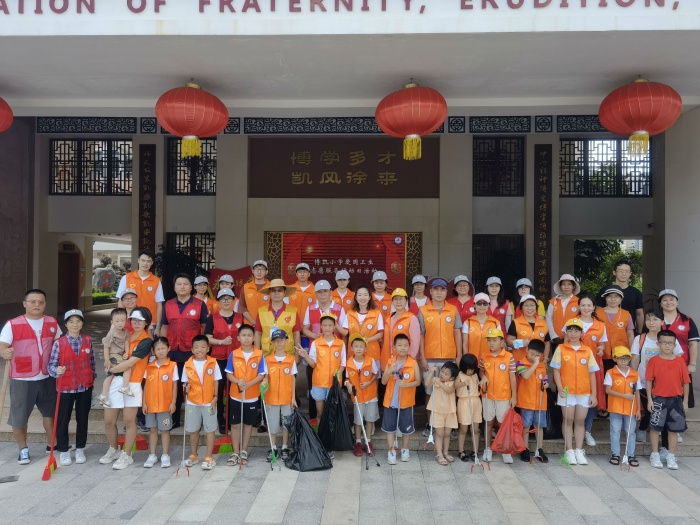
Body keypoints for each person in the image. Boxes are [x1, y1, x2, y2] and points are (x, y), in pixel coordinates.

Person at [0, 289, 61, 465]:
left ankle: (52, 444)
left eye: (40, 302)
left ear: (45, 304)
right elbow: (2, 345)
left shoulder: (52, 322)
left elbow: (59, 344)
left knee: (50, 413)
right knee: (20, 416)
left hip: (47, 376)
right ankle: (23, 449)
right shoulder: (13, 324)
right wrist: (4, 352)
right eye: (33, 301)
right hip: (22, 378)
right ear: (25, 304)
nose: (37, 305)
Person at [101, 307, 154, 470]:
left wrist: (111, 369)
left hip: (132, 383)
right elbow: (109, 347)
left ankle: (127, 454)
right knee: (109, 421)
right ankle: (113, 449)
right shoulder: (124, 334)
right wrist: (108, 362)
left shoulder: (147, 341)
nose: (136, 323)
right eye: (134, 320)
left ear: (146, 323)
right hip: (114, 382)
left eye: (140, 320)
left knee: (130, 421)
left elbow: (131, 363)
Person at [48, 309, 95, 466]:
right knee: (63, 419)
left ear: (82, 323)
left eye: (78, 321)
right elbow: (51, 365)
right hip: (66, 387)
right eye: (71, 321)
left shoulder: (88, 340)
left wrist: (92, 379)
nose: (75, 324)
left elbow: (92, 362)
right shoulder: (59, 343)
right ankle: (64, 450)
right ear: (66, 324)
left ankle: (80, 448)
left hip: (84, 387)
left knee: (83, 418)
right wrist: (57, 371)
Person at [631, 309, 683, 449]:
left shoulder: (669, 337)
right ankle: (643, 428)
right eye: (648, 319)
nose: (651, 322)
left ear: (662, 321)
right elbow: (635, 359)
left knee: (663, 414)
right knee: (650, 411)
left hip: (665, 384)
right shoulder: (640, 339)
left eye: (655, 319)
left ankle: (665, 447)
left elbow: (678, 359)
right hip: (644, 382)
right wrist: (633, 378)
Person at [160, 273, 208, 428]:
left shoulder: (199, 304)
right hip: (173, 351)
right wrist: (162, 348)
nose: (182, 287)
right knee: (173, 386)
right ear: (174, 287)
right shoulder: (168, 304)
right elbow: (164, 327)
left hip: (192, 352)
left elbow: (204, 327)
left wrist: (201, 349)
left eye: (185, 284)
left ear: (191, 287)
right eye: (179, 284)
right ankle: (174, 420)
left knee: (193, 385)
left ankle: (195, 420)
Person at [550, 318, 599, 466]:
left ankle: (579, 450)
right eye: (570, 330)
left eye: (576, 331)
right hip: (566, 392)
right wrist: (559, 387)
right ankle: (569, 450)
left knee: (580, 420)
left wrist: (594, 394)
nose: (573, 333)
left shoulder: (587, 350)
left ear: (581, 333)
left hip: (584, 392)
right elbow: (556, 371)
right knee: (568, 419)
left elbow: (592, 374)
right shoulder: (561, 349)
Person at [418, 278, 462, 437]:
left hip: (449, 358)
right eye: (435, 289)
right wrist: (422, 357)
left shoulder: (453, 310)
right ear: (430, 292)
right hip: (430, 358)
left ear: (446, 292)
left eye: (442, 289)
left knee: (450, 392)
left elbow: (457, 333)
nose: (438, 292)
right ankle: (430, 424)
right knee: (430, 392)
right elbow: (420, 335)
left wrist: (459, 355)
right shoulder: (423, 310)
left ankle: (451, 425)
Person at [646, 329, 690, 470]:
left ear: (674, 345)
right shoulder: (654, 361)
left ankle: (671, 455)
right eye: (664, 342)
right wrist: (649, 399)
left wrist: (685, 401)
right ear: (658, 344)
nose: (667, 345)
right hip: (658, 399)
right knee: (655, 427)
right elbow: (649, 380)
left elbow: (686, 382)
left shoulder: (680, 361)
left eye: (670, 343)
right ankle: (655, 454)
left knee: (674, 429)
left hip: (676, 400)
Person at [225, 324, 267, 466]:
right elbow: (229, 373)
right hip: (235, 395)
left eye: (249, 335)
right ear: (238, 338)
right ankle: (235, 452)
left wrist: (248, 385)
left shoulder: (259, 354)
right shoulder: (234, 354)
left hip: (252, 395)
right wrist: (238, 382)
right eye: (244, 335)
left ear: (254, 337)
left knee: (248, 424)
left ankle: (244, 450)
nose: (247, 338)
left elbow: (261, 374)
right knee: (235, 424)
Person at [205, 288, 243, 434]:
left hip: (236, 359)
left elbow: (245, 336)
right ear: (218, 301)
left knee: (235, 388)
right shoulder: (212, 318)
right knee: (219, 390)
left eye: (229, 298)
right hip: (219, 359)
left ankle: (233, 418)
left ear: (233, 300)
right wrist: (221, 342)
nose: (226, 301)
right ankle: (221, 420)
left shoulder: (240, 317)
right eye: (223, 298)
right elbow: (208, 338)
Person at [297, 313, 346, 423]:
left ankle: (331, 433)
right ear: (321, 326)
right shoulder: (316, 343)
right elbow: (313, 364)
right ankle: (321, 433)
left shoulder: (340, 344)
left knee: (332, 413)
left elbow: (343, 363)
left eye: (330, 325)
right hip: (318, 382)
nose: (327, 328)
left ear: (334, 326)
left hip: (334, 384)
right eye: (325, 325)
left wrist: (338, 374)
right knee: (320, 412)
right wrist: (306, 356)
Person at [181, 335, 220, 470]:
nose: (200, 350)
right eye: (196, 347)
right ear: (192, 349)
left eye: (203, 347)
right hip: (192, 401)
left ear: (208, 348)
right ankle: (193, 454)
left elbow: (216, 381)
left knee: (210, 429)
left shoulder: (213, 363)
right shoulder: (187, 364)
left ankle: (209, 457)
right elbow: (185, 383)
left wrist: (215, 397)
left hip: (209, 402)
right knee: (193, 429)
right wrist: (185, 389)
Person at [381, 333, 421, 465]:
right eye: (399, 345)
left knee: (406, 428)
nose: (403, 348)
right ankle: (391, 450)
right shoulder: (390, 362)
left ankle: (405, 449)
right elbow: (383, 382)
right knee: (390, 427)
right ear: (394, 347)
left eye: (405, 345)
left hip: (406, 402)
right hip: (391, 401)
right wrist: (389, 371)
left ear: (409, 347)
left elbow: (418, 381)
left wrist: (407, 385)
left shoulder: (413, 363)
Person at [479, 328, 517, 464]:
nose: (491, 343)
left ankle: (505, 450)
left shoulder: (509, 357)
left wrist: (514, 396)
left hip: (504, 395)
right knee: (488, 422)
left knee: (503, 424)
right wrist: (483, 377)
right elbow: (481, 371)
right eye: (489, 340)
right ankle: (488, 448)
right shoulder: (484, 356)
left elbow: (512, 378)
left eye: (494, 340)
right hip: (487, 395)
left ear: (502, 342)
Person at [659, 289, 698, 415]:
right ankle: (661, 420)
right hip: (660, 364)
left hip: (682, 365)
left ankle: (678, 422)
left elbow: (693, 344)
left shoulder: (687, 320)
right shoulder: (655, 319)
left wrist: (692, 363)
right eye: (665, 300)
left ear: (677, 302)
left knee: (680, 394)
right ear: (660, 303)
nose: (668, 302)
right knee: (661, 392)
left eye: (672, 299)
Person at [576, 293, 608, 442]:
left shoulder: (601, 325)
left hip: (594, 365)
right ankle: (575, 429)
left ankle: (587, 430)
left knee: (592, 396)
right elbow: (565, 345)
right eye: (583, 305)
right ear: (579, 307)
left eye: (589, 305)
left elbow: (602, 344)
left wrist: (601, 349)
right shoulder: (572, 322)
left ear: (594, 307)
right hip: (574, 365)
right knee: (576, 395)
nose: (586, 308)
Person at [142, 337, 178, 468]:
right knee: (152, 429)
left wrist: (173, 403)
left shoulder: (172, 366)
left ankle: (165, 455)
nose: (161, 351)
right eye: (158, 349)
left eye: (163, 348)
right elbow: (146, 386)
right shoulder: (149, 367)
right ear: (153, 351)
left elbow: (174, 386)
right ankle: (152, 455)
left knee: (165, 430)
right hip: (151, 405)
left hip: (165, 405)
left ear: (168, 349)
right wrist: (144, 403)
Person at [261, 329, 297, 461]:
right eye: (276, 341)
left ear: (286, 341)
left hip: (286, 398)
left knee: (286, 424)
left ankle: (285, 447)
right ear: (272, 343)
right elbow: (266, 376)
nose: (279, 343)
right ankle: (273, 447)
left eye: (282, 340)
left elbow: (293, 379)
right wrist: (264, 382)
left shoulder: (291, 359)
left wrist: (293, 398)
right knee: (273, 424)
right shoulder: (268, 359)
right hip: (271, 398)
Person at [605, 346, 641, 467]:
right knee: (615, 431)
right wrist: (624, 396)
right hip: (615, 407)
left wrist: (638, 409)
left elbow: (637, 392)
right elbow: (608, 390)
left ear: (630, 359)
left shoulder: (635, 374)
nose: (623, 361)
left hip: (631, 408)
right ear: (615, 359)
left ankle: (631, 455)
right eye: (620, 358)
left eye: (626, 358)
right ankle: (615, 454)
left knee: (631, 432)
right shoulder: (610, 373)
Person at [344, 334, 379, 457]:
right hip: (357, 396)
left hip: (371, 395)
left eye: (361, 346)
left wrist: (369, 382)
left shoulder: (370, 360)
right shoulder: (349, 362)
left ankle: (368, 442)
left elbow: (376, 374)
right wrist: (348, 385)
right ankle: (358, 442)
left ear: (365, 348)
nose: (358, 349)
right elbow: (347, 379)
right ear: (352, 348)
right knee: (358, 421)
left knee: (369, 419)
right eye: (356, 346)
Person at [116, 248, 164, 336]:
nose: (145, 264)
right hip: (131, 321)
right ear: (138, 260)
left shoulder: (156, 281)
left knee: (148, 344)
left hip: (150, 322)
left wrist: (158, 327)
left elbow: (159, 305)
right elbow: (120, 301)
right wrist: (121, 321)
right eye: (143, 260)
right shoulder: (126, 278)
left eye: (148, 261)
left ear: (152, 263)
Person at [515, 339, 548, 462]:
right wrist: (535, 364)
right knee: (526, 426)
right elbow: (525, 376)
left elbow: (545, 379)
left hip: (540, 401)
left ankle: (540, 449)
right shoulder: (520, 363)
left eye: (537, 355)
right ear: (527, 350)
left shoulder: (542, 366)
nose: (534, 357)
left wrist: (546, 384)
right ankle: (525, 448)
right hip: (526, 401)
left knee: (539, 425)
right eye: (532, 354)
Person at [255, 278, 301, 356]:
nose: (276, 293)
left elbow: (296, 334)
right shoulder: (261, 311)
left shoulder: (293, 311)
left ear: (284, 292)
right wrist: (256, 354)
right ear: (269, 293)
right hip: (266, 354)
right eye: (273, 291)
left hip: (288, 354)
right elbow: (258, 333)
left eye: (280, 290)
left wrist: (297, 355)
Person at [596, 259, 644, 334]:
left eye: (627, 271)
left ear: (630, 273)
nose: (624, 274)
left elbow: (639, 314)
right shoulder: (605, 291)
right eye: (620, 271)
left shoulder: (636, 292)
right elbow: (598, 312)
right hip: (607, 332)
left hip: (629, 332)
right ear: (614, 272)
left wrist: (639, 333)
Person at [425, 362, 459, 465]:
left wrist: (440, 383)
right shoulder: (436, 379)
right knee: (440, 433)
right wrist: (431, 373)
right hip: (437, 411)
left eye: (446, 373)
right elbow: (427, 384)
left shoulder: (452, 383)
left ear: (451, 377)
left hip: (450, 412)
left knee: (447, 433)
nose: (442, 374)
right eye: (442, 371)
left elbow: (449, 391)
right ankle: (439, 454)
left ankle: (446, 452)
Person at [596, 285, 634, 372]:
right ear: (605, 298)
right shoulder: (598, 314)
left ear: (621, 299)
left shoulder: (626, 314)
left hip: (622, 352)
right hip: (603, 351)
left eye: (616, 296)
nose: (613, 299)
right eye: (610, 296)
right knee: (604, 375)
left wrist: (632, 351)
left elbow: (630, 334)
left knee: (620, 375)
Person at [98, 307, 131, 407]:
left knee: (110, 375)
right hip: (113, 355)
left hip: (120, 355)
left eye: (122, 321)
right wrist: (107, 360)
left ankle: (103, 396)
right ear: (112, 322)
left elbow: (126, 343)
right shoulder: (112, 332)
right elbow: (106, 346)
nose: (120, 323)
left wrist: (127, 352)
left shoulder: (125, 331)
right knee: (127, 367)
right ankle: (125, 387)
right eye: (117, 321)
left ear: (126, 321)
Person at [382, 288, 420, 371]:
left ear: (406, 301)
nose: (398, 302)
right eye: (396, 299)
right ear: (392, 302)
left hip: (405, 360)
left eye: (401, 299)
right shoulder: (389, 318)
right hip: (390, 360)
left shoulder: (411, 318)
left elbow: (415, 342)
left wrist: (410, 358)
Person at [507, 294, 549, 364]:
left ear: (536, 307)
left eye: (532, 305)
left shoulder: (543, 323)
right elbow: (508, 342)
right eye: (526, 305)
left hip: (538, 363)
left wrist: (545, 359)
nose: (529, 308)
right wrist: (521, 343)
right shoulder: (515, 322)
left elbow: (547, 343)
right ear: (521, 308)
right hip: (520, 364)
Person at [455, 353, 482, 461]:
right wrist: (463, 384)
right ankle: (461, 451)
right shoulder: (460, 374)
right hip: (464, 402)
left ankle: (475, 451)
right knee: (463, 429)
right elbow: (455, 385)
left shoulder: (475, 375)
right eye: (468, 369)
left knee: (475, 429)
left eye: (472, 369)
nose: (471, 371)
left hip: (476, 402)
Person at [462, 292, 501, 363]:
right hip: (472, 361)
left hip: (490, 361)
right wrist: (466, 360)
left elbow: (498, 344)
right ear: (474, 305)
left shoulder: (495, 323)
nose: (482, 306)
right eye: (479, 303)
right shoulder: (468, 322)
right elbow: (465, 344)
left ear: (489, 305)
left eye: (485, 303)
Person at [546, 274, 580, 350]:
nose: (566, 287)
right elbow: (548, 318)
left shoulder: (578, 301)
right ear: (560, 286)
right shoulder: (554, 301)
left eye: (569, 284)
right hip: (556, 339)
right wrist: (553, 336)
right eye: (564, 284)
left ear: (573, 286)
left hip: (573, 338)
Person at [287, 263, 316, 338]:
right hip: (291, 330)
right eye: (300, 272)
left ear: (309, 274)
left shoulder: (315, 290)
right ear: (296, 274)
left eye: (305, 272)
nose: (302, 274)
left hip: (310, 331)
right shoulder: (290, 289)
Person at [239, 260, 270, 325]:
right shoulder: (246, 287)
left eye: (262, 269)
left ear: (266, 272)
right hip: (249, 325)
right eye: (257, 269)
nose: (259, 272)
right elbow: (242, 307)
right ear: (253, 271)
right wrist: (253, 321)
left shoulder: (271, 287)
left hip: (267, 324)